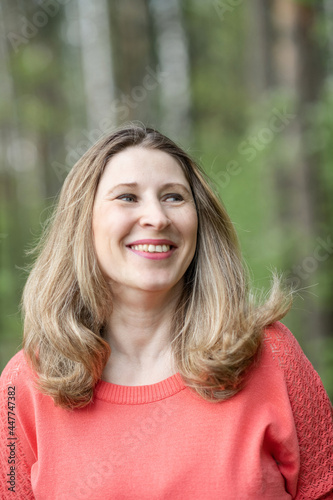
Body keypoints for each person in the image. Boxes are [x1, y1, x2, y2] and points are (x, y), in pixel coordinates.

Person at [0, 124, 332, 500]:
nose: (156, 218)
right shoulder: (23, 383)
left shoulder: (272, 356)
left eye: (173, 197)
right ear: (83, 223)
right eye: (127, 197)